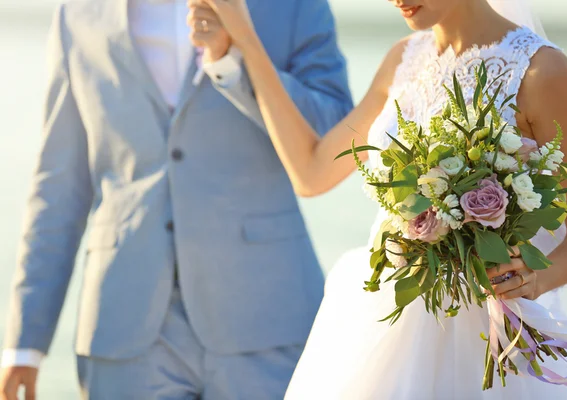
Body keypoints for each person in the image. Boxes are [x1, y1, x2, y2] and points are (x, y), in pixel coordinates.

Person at [195, 0, 567, 398]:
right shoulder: (403, 59)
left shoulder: (542, 71)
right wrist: (244, 42)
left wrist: (534, 279)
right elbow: (311, 171)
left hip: (487, 340)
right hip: (383, 326)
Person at [0, 0, 352, 398]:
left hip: (266, 318)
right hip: (124, 328)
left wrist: (234, 62)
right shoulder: (77, 14)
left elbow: (336, 137)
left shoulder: (293, 5)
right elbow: (59, 186)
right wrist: (25, 344)